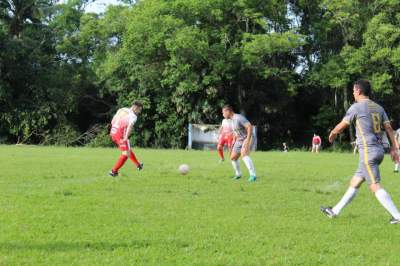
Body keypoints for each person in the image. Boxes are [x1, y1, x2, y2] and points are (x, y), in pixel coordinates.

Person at [320, 80, 400, 224]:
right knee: (355, 182)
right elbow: (389, 129)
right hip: (379, 150)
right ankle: (335, 211)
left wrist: (332, 133)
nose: (352, 93)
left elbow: (343, 125)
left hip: (368, 153)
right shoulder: (379, 108)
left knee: (374, 185)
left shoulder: (356, 107)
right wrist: (395, 149)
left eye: (353, 90)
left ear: (358, 91)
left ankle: (398, 217)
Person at [222, 105, 257, 182]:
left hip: (247, 137)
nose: (223, 115)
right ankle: (238, 174)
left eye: (223, 113)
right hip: (239, 140)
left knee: (244, 154)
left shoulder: (238, 117)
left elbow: (249, 127)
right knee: (233, 158)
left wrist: (247, 140)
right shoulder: (231, 121)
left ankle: (253, 175)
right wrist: (233, 143)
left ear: (228, 111)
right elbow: (236, 133)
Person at [109, 101, 144, 177]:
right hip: (120, 134)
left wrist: (114, 128)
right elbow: (130, 127)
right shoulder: (133, 116)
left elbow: (113, 120)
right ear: (135, 108)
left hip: (113, 131)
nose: (139, 112)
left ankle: (138, 165)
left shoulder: (122, 109)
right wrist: (126, 137)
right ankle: (113, 171)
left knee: (128, 149)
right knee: (126, 153)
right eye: (139, 110)